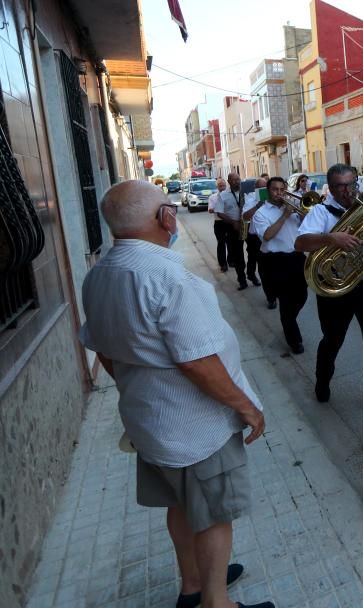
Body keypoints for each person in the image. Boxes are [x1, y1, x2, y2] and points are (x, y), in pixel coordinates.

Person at [78, 180, 273, 608]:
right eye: (170, 210)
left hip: (149, 421)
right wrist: (248, 409)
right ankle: (216, 602)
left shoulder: (97, 276)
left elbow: (103, 350)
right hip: (195, 429)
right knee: (214, 516)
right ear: (167, 217)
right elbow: (198, 363)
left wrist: (139, 385)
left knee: (182, 505)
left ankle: (194, 585)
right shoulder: (168, 277)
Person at [295, 164, 363, 417]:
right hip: (335, 288)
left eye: (351, 184)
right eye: (340, 185)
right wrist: (331, 238)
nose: (347, 190)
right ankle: (322, 380)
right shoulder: (321, 211)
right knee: (332, 340)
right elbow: (300, 243)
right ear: (331, 187)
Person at [253, 176, 308, 354]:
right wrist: (285, 216)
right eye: (275, 190)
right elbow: (267, 235)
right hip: (276, 261)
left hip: (297, 257)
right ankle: (294, 340)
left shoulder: (292, 207)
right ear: (268, 191)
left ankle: (289, 320)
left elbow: (308, 225)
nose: (279, 193)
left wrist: (301, 212)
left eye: (282, 190)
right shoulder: (261, 213)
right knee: (286, 302)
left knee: (302, 296)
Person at [216, 173, 260, 290]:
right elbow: (219, 212)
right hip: (233, 227)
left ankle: (251, 274)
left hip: (249, 225)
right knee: (237, 255)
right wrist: (233, 222)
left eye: (238, 179)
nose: (237, 182)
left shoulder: (248, 193)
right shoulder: (223, 195)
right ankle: (242, 280)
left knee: (254, 251)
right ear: (229, 181)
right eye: (234, 180)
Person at [242, 177, 277, 308]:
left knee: (270, 267)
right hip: (255, 237)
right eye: (259, 187)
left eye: (265, 187)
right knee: (261, 267)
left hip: (271, 234)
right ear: (255, 188)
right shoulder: (250, 198)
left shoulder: (273, 196)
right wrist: (258, 204)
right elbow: (245, 217)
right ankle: (271, 297)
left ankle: (251, 274)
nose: (262, 190)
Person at [208, 178, 229, 272]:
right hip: (219, 222)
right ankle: (223, 264)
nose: (222, 187)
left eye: (223, 185)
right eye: (220, 186)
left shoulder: (230, 196)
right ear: (217, 187)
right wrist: (218, 207)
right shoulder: (213, 197)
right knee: (221, 243)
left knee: (231, 243)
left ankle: (230, 260)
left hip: (229, 222)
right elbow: (210, 210)